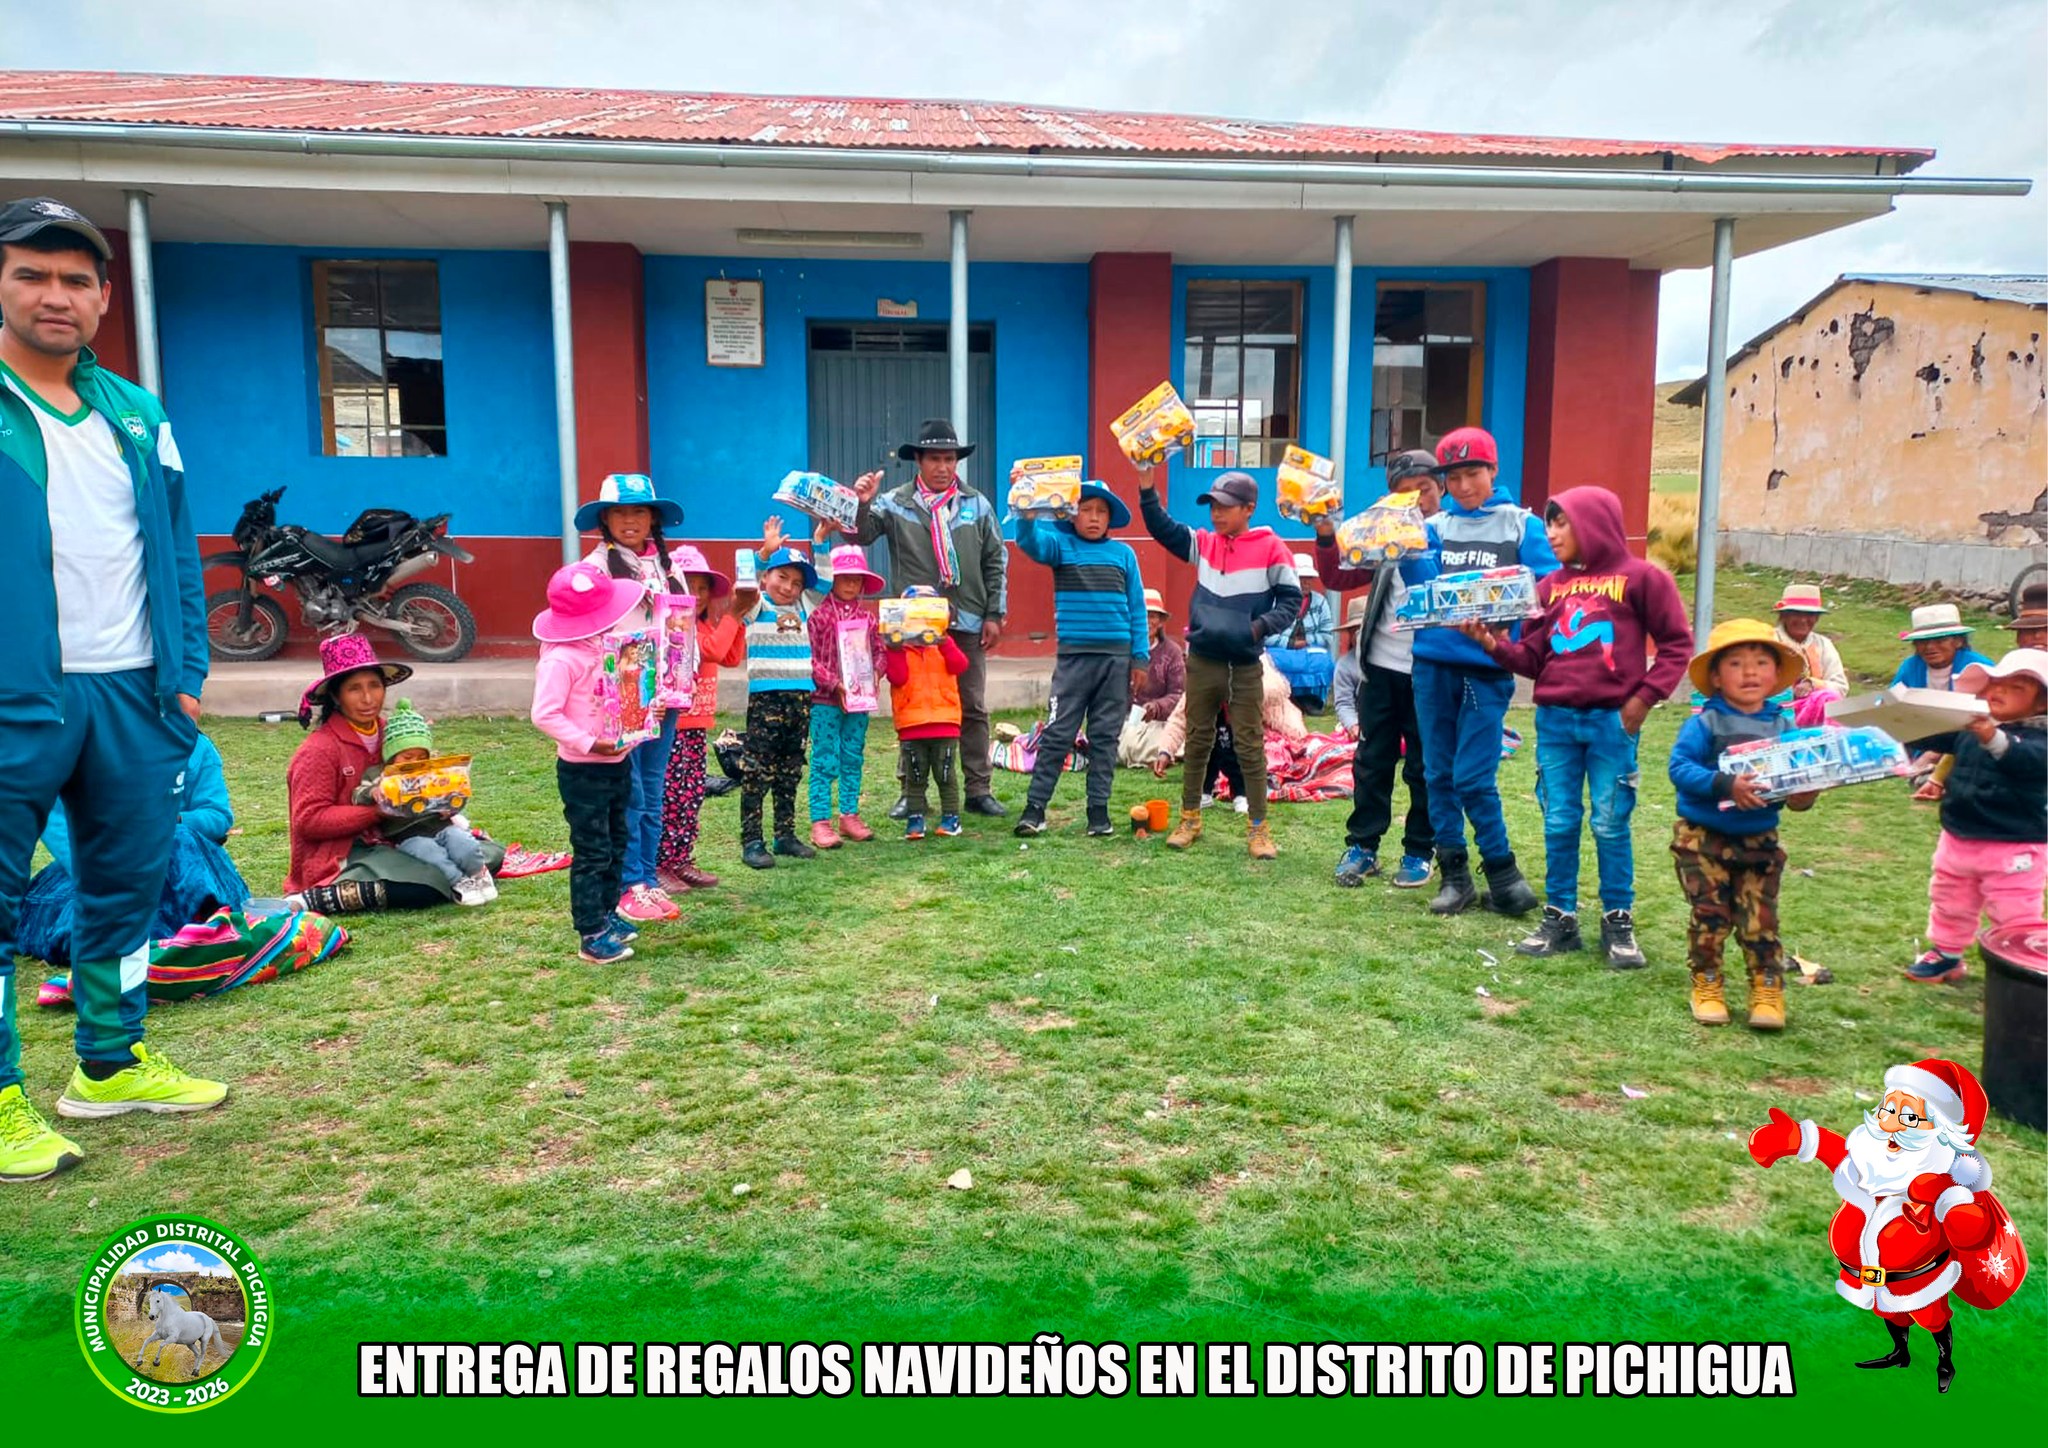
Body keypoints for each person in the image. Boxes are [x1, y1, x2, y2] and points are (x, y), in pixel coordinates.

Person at [0, 196, 226, 1181]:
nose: (56, 294)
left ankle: (109, 1060)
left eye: (75, 279)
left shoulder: (138, 415)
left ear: (102, 297)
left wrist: (186, 675)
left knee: (124, 887)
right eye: (31, 274)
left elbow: (174, 549)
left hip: (133, 696)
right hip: (17, 698)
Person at [1467, 487, 1693, 967]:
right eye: (1548, 524)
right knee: (1559, 820)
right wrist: (1492, 646)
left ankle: (1618, 922)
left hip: (1613, 724)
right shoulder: (1547, 589)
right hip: (1555, 724)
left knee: (1611, 824)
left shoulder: (1643, 579)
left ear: (1593, 522)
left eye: (1561, 522)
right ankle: (1560, 919)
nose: (1551, 533)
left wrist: (1644, 699)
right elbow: (1532, 659)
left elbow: (1676, 644)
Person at [1399, 427, 1558, 916]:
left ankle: (1504, 871)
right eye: (1454, 477)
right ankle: (1455, 876)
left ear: (1493, 471)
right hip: (1431, 663)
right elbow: (1421, 588)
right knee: (1435, 772)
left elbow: (1548, 591)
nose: (1465, 486)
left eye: (1474, 474)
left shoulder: (1522, 525)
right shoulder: (1433, 527)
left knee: (1473, 776)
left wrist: (1512, 623)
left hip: (1488, 667)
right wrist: (1404, 554)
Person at [848, 419, 1009, 817]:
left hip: (968, 619)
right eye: (935, 458)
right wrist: (864, 501)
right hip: (914, 624)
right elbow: (861, 534)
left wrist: (995, 613)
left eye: (950, 459)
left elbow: (996, 560)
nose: (943, 467)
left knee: (971, 705)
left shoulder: (977, 504)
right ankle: (911, 792)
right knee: (914, 709)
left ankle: (977, 788)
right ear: (918, 460)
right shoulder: (895, 503)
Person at [1138, 469, 1301, 859]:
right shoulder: (1205, 544)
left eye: (1225, 506)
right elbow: (1164, 529)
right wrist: (1147, 486)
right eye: (1212, 505)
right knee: (1196, 740)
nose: (1215, 513)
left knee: (1249, 743)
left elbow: (1292, 602)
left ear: (1249, 508)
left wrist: (1257, 628)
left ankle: (1258, 830)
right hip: (1204, 660)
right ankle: (1190, 818)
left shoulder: (1272, 548)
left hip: (1245, 663)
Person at [1666, 619, 1818, 1031]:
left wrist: (1804, 794)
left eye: (1760, 663)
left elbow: (1796, 783)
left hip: (1760, 841)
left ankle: (1767, 988)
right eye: (1735, 663)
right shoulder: (1704, 724)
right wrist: (1725, 784)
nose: (1749, 672)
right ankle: (1707, 981)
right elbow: (1679, 768)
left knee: (1760, 919)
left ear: (1775, 675)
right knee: (1710, 915)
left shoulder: (1785, 727)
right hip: (1703, 840)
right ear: (1716, 677)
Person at [286, 634, 502, 916]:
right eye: (354, 689)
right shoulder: (319, 749)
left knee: (489, 854)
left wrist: (439, 801)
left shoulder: (394, 733)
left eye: (374, 685)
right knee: (427, 883)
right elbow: (309, 821)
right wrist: (379, 812)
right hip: (348, 850)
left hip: (406, 836)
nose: (367, 698)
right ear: (336, 696)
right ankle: (315, 898)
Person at [1314, 448, 1442, 889]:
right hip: (1381, 668)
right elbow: (1336, 575)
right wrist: (1326, 530)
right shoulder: (1384, 536)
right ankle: (1363, 846)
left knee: (1424, 765)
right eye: (1403, 494)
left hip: (1430, 671)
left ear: (1439, 490)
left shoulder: (1451, 534)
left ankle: (1420, 851)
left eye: (1423, 490)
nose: (1414, 501)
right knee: (1371, 761)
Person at [17, 731, 247, 969]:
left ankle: (184, 931)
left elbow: (218, 815)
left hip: (182, 867)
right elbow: (57, 820)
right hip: (98, 862)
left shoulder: (196, 747)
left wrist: (170, 819)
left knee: (177, 839)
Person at [531, 560, 658, 964]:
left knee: (617, 840)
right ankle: (591, 933)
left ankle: (606, 914)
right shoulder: (561, 659)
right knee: (593, 850)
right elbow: (544, 714)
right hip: (584, 769)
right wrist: (588, 743)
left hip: (617, 761)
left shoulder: (607, 646)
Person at [579, 473, 689, 924]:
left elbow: (684, 625)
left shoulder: (669, 565)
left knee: (654, 786)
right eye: (621, 512)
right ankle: (629, 883)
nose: (630, 520)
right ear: (605, 518)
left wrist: (684, 676)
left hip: (669, 688)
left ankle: (647, 875)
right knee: (631, 791)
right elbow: (587, 630)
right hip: (626, 687)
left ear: (653, 519)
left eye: (639, 512)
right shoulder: (595, 569)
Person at [1013, 481, 1149, 837]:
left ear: (1110, 519)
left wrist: (1140, 658)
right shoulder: (1060, 546)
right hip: (1074, 662)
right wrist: (1027, 515)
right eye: (1086, 510)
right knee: (1058, 734)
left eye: (1101, 512)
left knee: (1105, 738)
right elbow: (1031, 543)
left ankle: (1098, 813)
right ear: (1072, 515)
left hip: (1116, 663)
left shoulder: (1124, 555)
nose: (1093, 518)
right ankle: (1035, 809)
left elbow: (1137, 608)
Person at [1903, 649, 2047, 982]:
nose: (1999, 691)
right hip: (1959, 834)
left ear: (2042, 704)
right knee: (1949, 898)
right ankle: (1947, 953)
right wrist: (1900, 723)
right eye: (1996, 683)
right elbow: (1937, 736)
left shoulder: (2040, 737)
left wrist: (1992, 737)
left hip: (2014, 844)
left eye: (2016, 688)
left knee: (2014, 909)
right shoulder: (1972, 726)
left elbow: (2026, 759)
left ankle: (2019, 965)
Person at [734, 518, 823, 870]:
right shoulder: (756, 608)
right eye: (781, 577)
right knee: (757, 771)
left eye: (797, 582)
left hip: (800, 700)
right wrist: (764, 553)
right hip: (766, 699)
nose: (788, 587)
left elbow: (826, 583)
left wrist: (821, 541)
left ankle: (784, 834)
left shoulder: (804, 609)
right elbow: (743, 583)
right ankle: (752, 840)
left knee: (790, 770)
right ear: (765, 579)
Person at [656, 544, 745, 893]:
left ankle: (681, 859)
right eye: (687, 585)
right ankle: (659, 863)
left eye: (703, 587)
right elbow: (712, 651)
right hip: (672, 726)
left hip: (696, 725)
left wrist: (736, 618)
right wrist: (734, 615)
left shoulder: (707, 627)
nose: (695, 594)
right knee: (669, 796)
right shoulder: (673, 628)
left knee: (690, 795)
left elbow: (730, 656)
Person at [360, 699, 495, 907]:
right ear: (392, 756)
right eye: (408, 757)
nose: (415, 762)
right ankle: (458, 882)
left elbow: (452, 796)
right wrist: (373, 791)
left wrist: (450, 808)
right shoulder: (379, 775)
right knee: (430, 853)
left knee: (463, 842)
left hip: (440, 824)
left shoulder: (431, 773)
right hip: (407, 834)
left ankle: (479, 873)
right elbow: (357, 794)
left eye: (421, 756)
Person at [806, 544, 886, 849]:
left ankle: (849, 814)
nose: (851, 584)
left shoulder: (869, 619)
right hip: (825, 701)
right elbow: (809, 657)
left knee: (853, 755)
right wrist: (834, 683)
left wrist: (876, 673)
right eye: (844, 577)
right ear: (832, 579)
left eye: (856, 578)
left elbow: (879, 652)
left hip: (859, 701)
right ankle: (820, 821)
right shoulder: (818, 616)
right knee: (825, 757)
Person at [883, 588, 972, 840]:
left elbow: (960, 665)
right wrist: (895, 649)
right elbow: (897, 677)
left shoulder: (943, 645)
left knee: (945, 775)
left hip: (944, 723)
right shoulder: (899, 648)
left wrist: (944, 642)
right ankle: (915, 819)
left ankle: (951, 818)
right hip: (911, 724)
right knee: (916, 776)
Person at [1117, 588, 1185, 767]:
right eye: (1143, 615)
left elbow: (1178, 695)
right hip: (1123, 721)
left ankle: (1158, 751)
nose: (1147, 622)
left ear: (1161, 622)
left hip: (1158, 724)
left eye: (1153, 616)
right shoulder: (1121, 650)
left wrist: (1156, 707)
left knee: (1170, 740)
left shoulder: (1172, 652)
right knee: (1119, 738)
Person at [1773, 583, 1849, 728]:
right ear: (1784, 616)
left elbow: (1840, 687)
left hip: (1816, 721)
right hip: (1775, 716)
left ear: (1817, 618)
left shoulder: (1824, 645)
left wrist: (1813, 685)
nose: (1803, 620)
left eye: (1810, 615)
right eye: (1796, 613)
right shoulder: (1770, 641)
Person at [1890, 604, 1992, 690]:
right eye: (1922, 641)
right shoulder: (1911, 666)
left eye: (1940, 640)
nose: (1930, 647)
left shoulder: (1980, 667)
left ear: (1958, 641)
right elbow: (1890, 699)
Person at [1330, 596, 1367, 737]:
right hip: (1361, 721)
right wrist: (1353, 725)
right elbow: (1344, 704)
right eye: (1355, 630)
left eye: (1363, 629)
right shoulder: (1344, 665)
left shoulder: (1391, 657)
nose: (1359, 635)